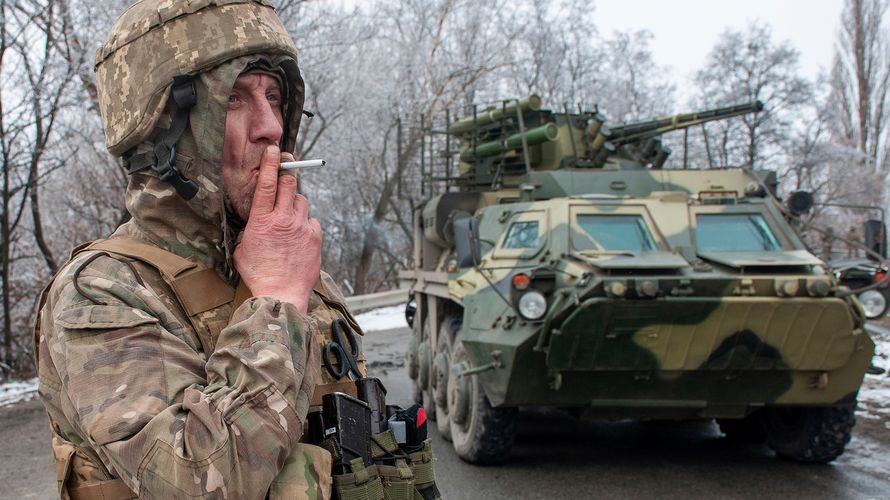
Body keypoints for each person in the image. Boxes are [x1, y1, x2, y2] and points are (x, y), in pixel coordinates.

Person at [33, 1, 374, 498]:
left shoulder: (300, 271)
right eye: (235, 99)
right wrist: (276, 301)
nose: (271, 127)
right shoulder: (101, 293)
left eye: (274, 96)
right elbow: (198, 479)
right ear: (165, 129)